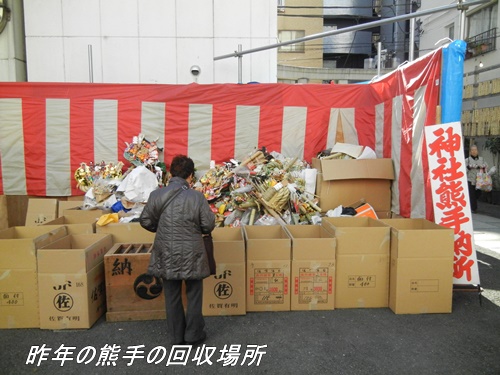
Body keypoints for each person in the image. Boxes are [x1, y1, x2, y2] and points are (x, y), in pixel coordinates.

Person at [140, 155, 215, 345]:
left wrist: (163, 229)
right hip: (193, 253)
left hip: (166, 252)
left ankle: (176, 337)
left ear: (171, 173)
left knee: (172, 295)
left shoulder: (157, 195)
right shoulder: (197, 197)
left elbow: (145, 221)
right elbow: (208, 226)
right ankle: (193, 335)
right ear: (190, 175)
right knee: (194, 295)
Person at [465, 145, 488, 213]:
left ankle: (471, 203)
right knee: (472, 194)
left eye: (475, 150)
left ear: (477, 151)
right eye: (472, 150)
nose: (474, 151)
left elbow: (486, 167)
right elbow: (463, 170)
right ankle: (474, 209)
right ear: (470, 151)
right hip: (470, 179)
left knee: (478, 193)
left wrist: (482, 167)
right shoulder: (467, 160)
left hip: (479, 180)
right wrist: (469, 167)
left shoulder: (482, 159)